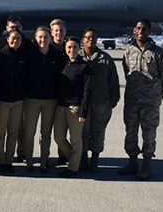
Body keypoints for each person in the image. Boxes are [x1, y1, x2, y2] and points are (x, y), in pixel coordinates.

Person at [119, 19, 163, 180]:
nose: (141, 30)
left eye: (144, 28)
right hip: (132, 101)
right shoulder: (129, 51)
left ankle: (147, 166)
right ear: (134, 31)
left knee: (149, 133)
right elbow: (126, 71)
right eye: (138, 28)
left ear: (149, 31)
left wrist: (157, 93)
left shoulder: (158, 53)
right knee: (130, 132)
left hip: (150, 102)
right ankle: (132, 163)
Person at [79, 28, 120, 172]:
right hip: (83, 103)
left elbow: (113, 80)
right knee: (82, 132)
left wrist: (114, 98)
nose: (91, 40)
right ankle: (83, 158)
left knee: (98, 131)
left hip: (101, 102)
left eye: (94, 38)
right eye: (88, 37)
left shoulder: (105, 59)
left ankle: (94, 159)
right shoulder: (78, 57)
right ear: (83, 39)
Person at [23, 26, 63, 172]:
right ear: (35, 38)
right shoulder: (30, 55)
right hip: (32, 99)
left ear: (50, 38)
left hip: (50, 100)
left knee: (46, 133)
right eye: (40, 37)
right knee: (29, 132)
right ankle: (29, 161)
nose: (43, 40)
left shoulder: (56, 55)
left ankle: (43, 161)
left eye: (46, 37)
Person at [53, 36, 91, 177]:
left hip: (75, 107)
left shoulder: (84, 67)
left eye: (75, 47)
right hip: (61, 106)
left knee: (75, 139)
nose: (72, 50)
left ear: (79, 48)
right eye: (69, 47)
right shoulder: (63, 64)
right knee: (58, 137)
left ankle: (73, 168)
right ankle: (77, 160)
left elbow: (87, 91)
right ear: (65, 48)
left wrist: (83, 112)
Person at [0, 29, 26, 173]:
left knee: (13, 133)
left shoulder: (23, 56)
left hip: (18, 101)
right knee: (0, 132)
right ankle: (0, 161)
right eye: (13, 38)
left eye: (18, 38)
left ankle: (9, 160)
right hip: (2, 100)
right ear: (7, 39)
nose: (15, 41)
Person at [50, 18, 69, 165]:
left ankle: (63, 155)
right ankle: (45, 158)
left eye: (61, 30)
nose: (59, 33)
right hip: (48, 96)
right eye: (56, 31)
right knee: (46, 130)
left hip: (64, 97)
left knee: (62, 130)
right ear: (52, 32)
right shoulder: (46, 49)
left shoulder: (68, 49)